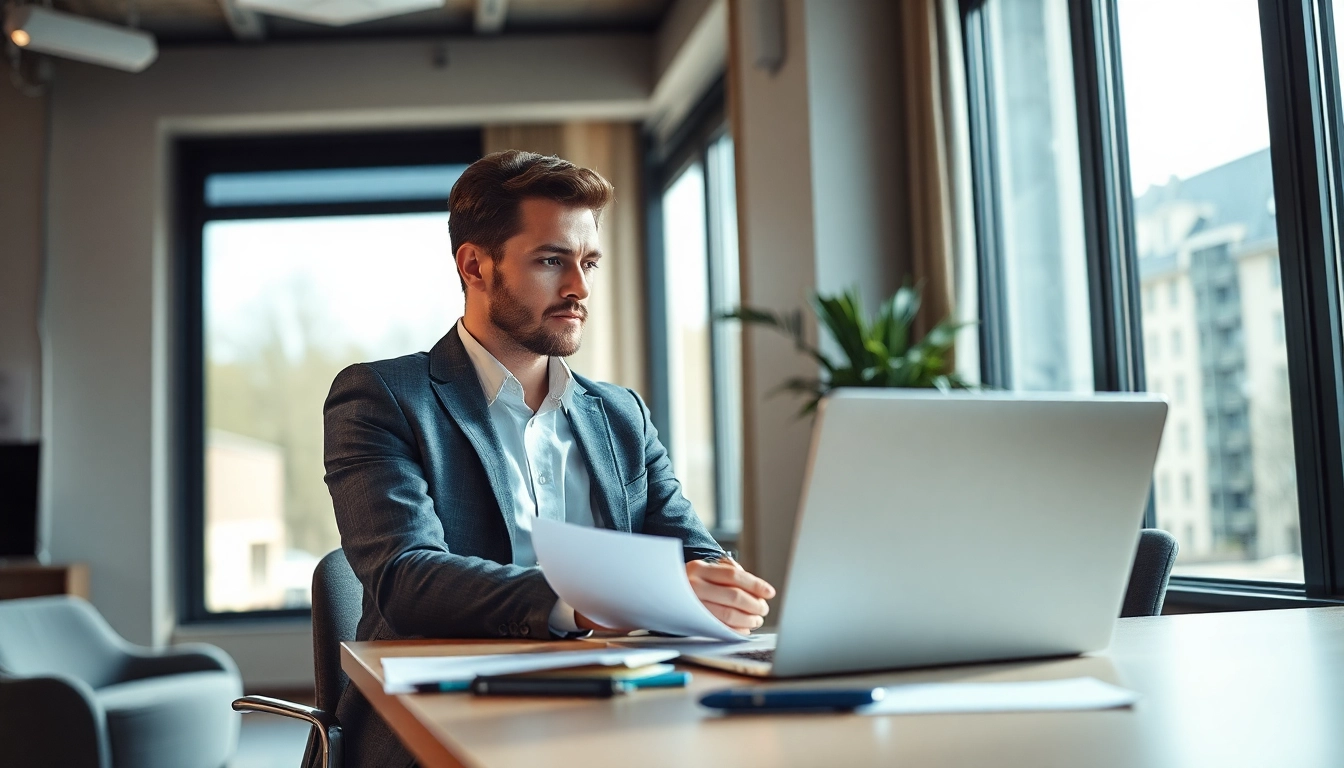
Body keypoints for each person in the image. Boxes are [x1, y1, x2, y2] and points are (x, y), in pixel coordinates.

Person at [322, 150, 776, 767]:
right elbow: (408, 579)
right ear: (475, 265)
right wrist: (597, 599)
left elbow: (692, 553)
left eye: (588, 263)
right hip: (439, 723)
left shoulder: (621, 414)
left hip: (622, 712)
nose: (579, 288)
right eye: (551, 260)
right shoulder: (384, 398)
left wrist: (724, 589)